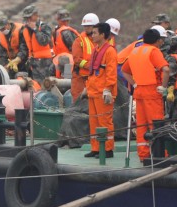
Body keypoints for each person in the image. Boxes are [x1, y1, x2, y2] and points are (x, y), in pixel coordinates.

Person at [121, 29, 169, 166]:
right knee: (156, 123)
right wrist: (164, 87)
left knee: (141, 125)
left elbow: (124, 71)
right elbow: (165, 69)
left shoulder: (135, 51)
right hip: (152, 92)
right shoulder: (153, 51)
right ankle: (160, 154)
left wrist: (134, 84)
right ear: (157, 40)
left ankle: (143, 154)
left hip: (139, 92)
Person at [85, 22, 118, 158]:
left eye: (94, 33)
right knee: (94, 122)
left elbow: (111, 73)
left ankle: (108, 149)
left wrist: (108, 90)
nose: (92, 35)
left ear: (103, 35)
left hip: (103, 93)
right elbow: (92, 71)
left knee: (104, 122)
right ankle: (96, 147)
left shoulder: (109, 51)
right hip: (93, 91)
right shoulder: (96, 50)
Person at [15, 5, 54, 80]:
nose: (28, 20)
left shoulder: (44, 27)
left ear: (36, 15)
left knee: (44, 86)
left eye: (30, 17)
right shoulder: (25, 30)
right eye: (26, 18)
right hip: (32, 64)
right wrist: (18, 58)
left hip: (44, 64)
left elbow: (44, 41)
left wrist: (35, 30)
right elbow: (23, 47)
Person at [71, 13, 98, 101]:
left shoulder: (99, 41)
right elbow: (77, 59)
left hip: (94, 78)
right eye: (85, 26)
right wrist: (90, 66)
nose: (86, 28)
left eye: (89, 26)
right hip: (80, 78)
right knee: (78, 102)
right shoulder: (79, 41)